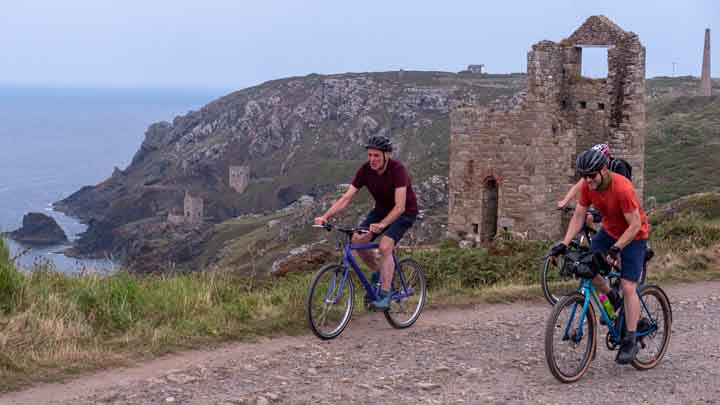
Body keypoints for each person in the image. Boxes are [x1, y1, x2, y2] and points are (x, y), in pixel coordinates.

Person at [549, 148, 649, 364]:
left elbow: (635, 225)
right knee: (588, 267)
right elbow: (578, 215)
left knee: (628, 285)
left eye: (592, 175)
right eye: (584, 176)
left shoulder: (622, 188)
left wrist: (617, 248)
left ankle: (630, 339)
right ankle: (612, 296)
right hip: (609, 231)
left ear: (604, 170)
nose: (588, 180)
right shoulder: (588, 185)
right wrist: (564, 243)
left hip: (634, 236)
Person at [314, 135, 418, 310]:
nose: (372, 159)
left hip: (405, 213)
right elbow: (346, 197)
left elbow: (400, 206)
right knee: (357, 240)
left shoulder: (398, 170)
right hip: (381, 210)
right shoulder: (365, 170)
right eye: (370, 155)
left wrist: (383, 225)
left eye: (376, 155)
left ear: (387, 155)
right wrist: (325, 216)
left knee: (385, 247)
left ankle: (386, 295)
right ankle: (379, 272)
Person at [557, 143, 633, 210]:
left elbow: (622, 187)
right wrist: (565, 200)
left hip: (619, 203)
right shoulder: (595, 169)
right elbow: (577, 186)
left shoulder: (618, 166)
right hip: (603, 202)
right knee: (588, 217)